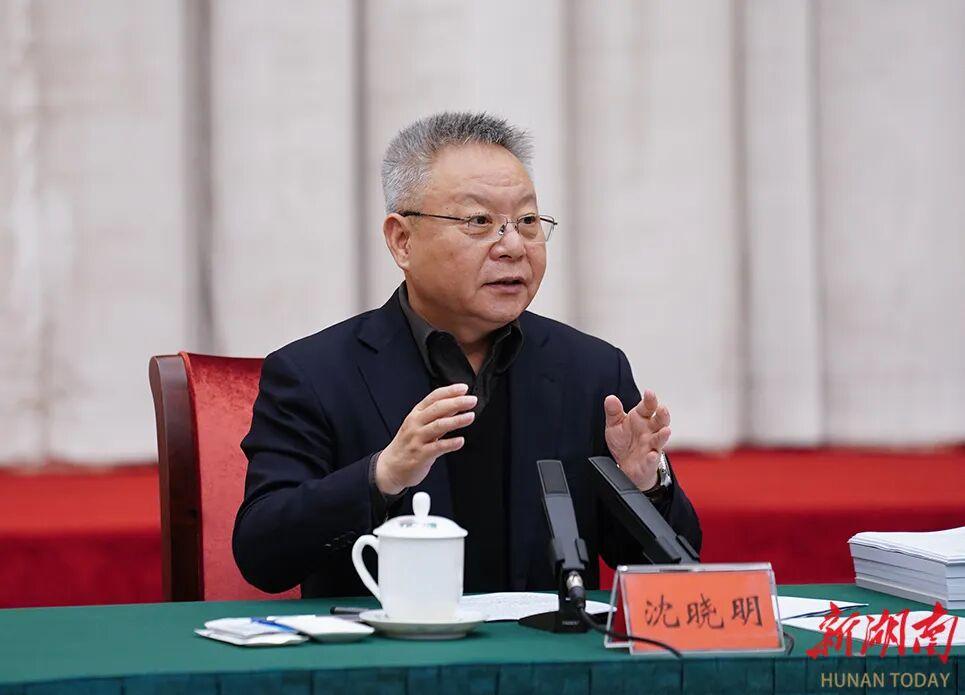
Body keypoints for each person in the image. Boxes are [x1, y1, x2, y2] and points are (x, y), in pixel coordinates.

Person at [233, 112, 700, 597]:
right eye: (480, 222)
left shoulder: (591, 370)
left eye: (527, 221)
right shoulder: (315, 374)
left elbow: (674, 570)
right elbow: (262, 553)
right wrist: (383, 475)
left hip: (542, 643)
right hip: (389, 644)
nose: (513, 246)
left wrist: (643, 486)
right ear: (402, 240)